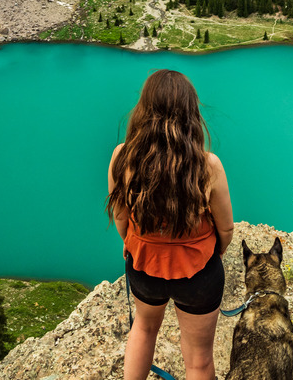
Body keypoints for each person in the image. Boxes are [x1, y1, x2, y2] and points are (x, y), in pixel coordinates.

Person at [106, 69, 234, 380]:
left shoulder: (122, 156)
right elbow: (226, 229)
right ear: (190, 113)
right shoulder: (208, 165)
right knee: (199, 360)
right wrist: (214, 252)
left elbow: (121, 218)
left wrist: (132, 243)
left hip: (144, 265)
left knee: (143, 329)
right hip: (199, 274)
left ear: (144, 110)